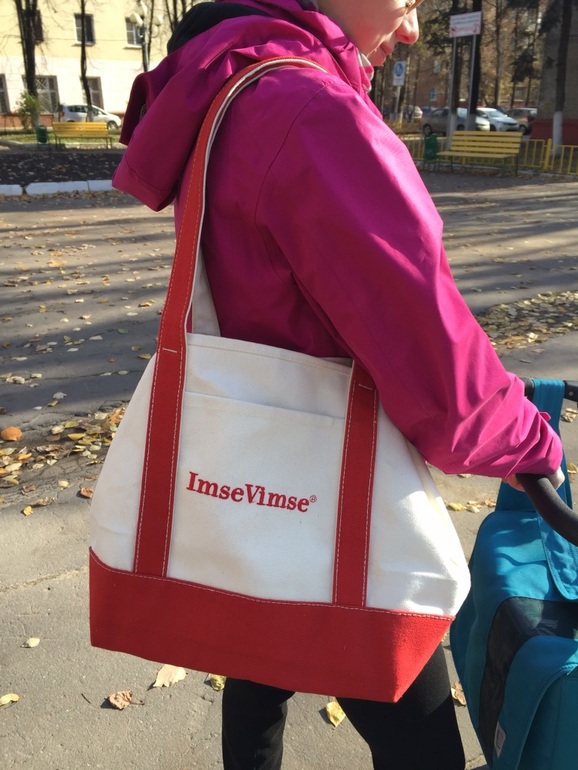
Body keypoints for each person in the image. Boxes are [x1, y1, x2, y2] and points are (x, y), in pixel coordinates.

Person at [113, 1, 563, 767]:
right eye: (408, 0)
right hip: (331, 492)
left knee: (258, 665)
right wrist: (525, 439)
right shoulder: (310, 112)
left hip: (251, 471)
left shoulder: (231, 86)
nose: (413, 28)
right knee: (421, 747)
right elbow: (425, 349)